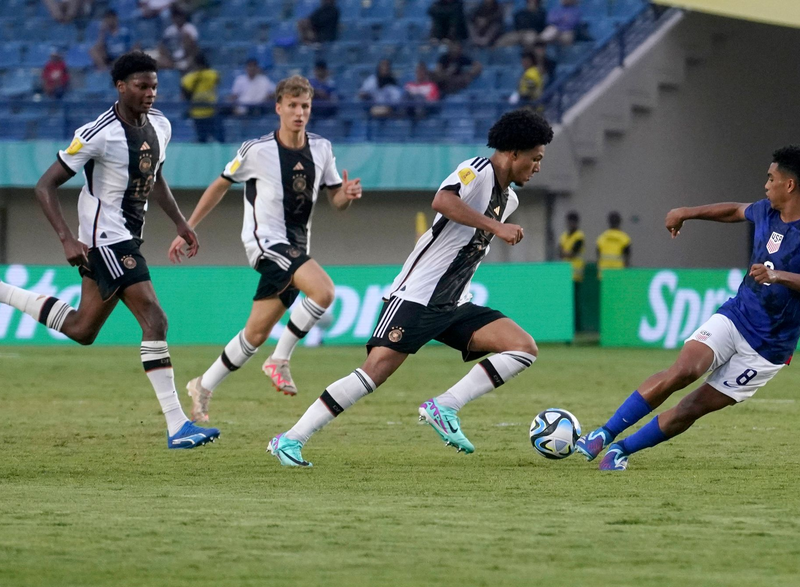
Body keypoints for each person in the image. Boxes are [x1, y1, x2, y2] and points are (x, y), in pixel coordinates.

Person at [266, 109, 554, 467]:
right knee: (374, 372)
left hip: (454, 302)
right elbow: (443, 200)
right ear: (513, 152)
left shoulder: (509, 199)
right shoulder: (477, 170)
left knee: (523, 347)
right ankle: (290, 440)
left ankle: (444, 406)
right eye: (535, 158)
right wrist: (496, 228)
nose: (538, 166)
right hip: (418, 296)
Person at [0, 51, 218, 449]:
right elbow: (44, 185)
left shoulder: (161, 125)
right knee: (155, 319)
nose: (150, 93)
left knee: (83, 329)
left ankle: (3, 291)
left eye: (154, 86)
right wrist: (67, 238)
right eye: (141, 86)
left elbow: (155, 176)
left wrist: (180, 221)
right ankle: (177, 426)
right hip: (105, 238)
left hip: (129, 236)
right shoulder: (98, 133)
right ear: (120, 86)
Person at [576, 146, 800, 471]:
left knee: (693, 406)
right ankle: (604, 433)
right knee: (683, 371)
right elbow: (734, 211)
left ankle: (621, 451)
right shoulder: (766, 211)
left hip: (769, 349)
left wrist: (778, 276)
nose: (765, 185)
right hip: (736, 317)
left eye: (771, 178)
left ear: (789, 185)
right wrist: (687, 212)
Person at [168, 75, 362, 423]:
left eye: (305, 106)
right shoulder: (256, 150)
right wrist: (187, 227)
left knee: (255, 333)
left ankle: (202, 386)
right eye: (292, 105)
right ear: (278, 108)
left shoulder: (322, 149)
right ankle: (279, 360)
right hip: (266, 243)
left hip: (297, 246)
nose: (299, 113)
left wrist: (346, 196)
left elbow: (336, 200)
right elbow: (220, 185)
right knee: (323, 291)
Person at [180, 53, 223, 143]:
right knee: (219, 139)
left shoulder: (188, 78)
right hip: (211, 111)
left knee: (202, 140)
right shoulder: (213, 74)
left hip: (197, 113)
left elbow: (184, 94)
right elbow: (218, 81)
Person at [558, 211, 584, 330]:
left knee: (576, 303)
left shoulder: (579, 236)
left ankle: (577, 328)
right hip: (565, 274)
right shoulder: (564, 236)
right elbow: (560, 252)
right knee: (566, 303)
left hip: (576, 275)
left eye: (573, 222)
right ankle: (569, 327)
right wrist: (566, 253)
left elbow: (573, 253)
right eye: (569, 221)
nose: (571, 224)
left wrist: (566, 253)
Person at [158, 5, 198, 71]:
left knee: (187, 37)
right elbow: (162, 46)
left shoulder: (190, 28)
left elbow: (194, 46)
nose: (177, 19)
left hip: (187, 57)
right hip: (172, 58)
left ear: (183, 17)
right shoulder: (169, 30)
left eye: (179, 16)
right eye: (175, 17)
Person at [596, 211, 630, 278]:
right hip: (618, 273)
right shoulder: (624, 238)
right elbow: (627, 257)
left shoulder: (602, 237)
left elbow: (598, 255)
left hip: (604, 273)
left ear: (609, 222)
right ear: (620, 222)